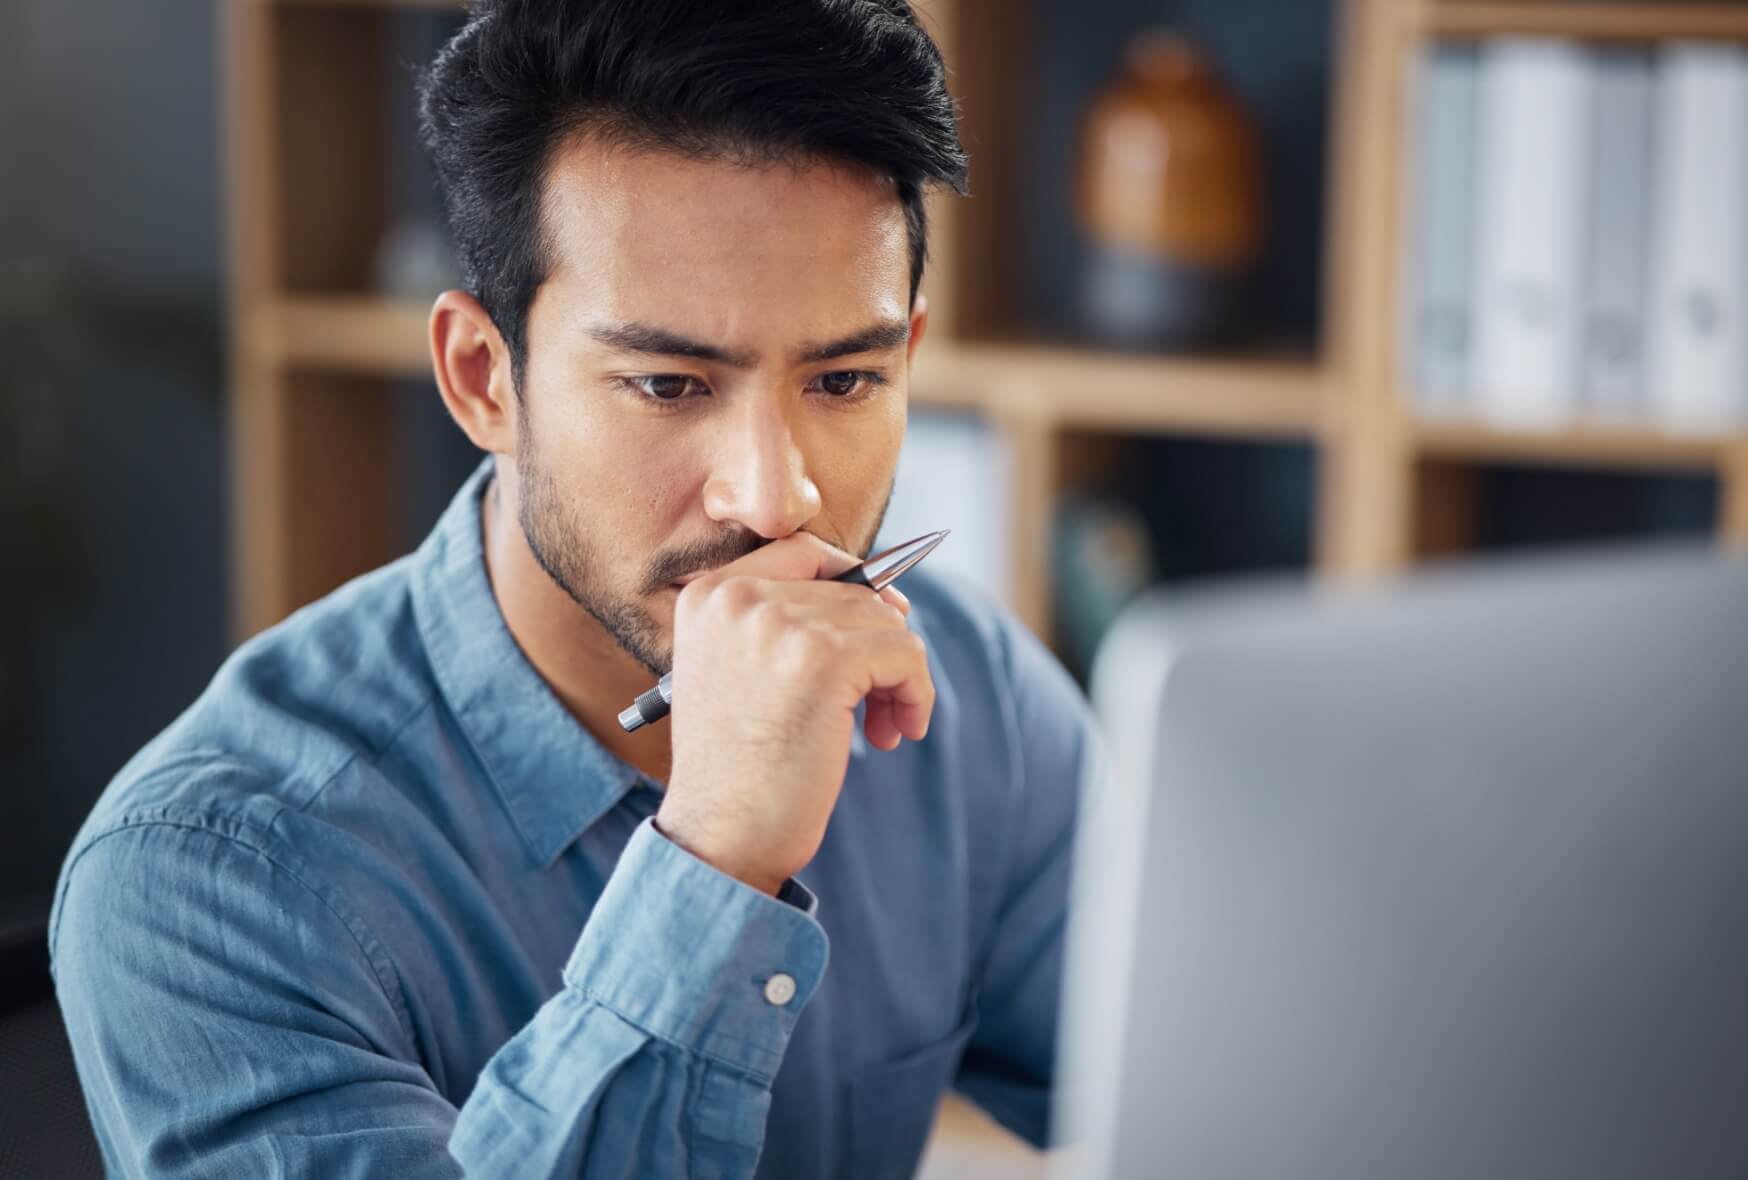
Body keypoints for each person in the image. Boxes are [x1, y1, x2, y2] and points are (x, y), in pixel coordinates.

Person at [50, 1, 1093, 1175]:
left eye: (844, 380)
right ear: (482, 377)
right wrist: (715, 859)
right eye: (667, 384)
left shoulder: (973, 691)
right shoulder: (202, 877)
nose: (775, 495)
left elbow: (1217, 1088)